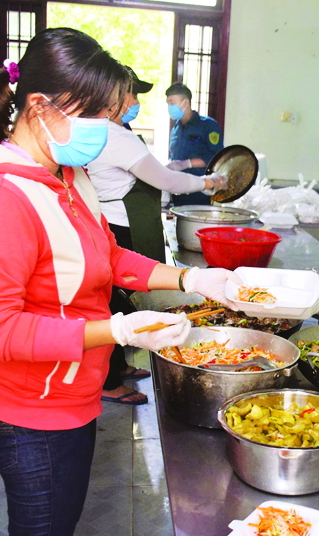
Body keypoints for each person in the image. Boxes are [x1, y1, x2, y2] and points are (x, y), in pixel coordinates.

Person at [0, 28, 240, 535]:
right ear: (40, 106)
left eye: (109, 114)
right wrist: (118, 331)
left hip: (75, 395)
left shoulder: (66, 172)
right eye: (95, 114)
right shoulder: (0, 197)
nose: (105, 128)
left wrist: (194, 278)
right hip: (30, 416)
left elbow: (106, 254)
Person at [87, 66, 226, 404]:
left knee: (119, 296)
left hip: (120, 220)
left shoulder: (117, 130)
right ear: (115, 96)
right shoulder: (113, 135)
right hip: (121, 223)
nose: (135, 102)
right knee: (116, 300)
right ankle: (107, 380)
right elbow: (167, 179)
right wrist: (209, 182)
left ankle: (118, 367)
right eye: (132, 94)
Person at [165, 82, 223, 206]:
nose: (169, 107)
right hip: (178, 192)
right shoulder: (176, 129)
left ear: (185, 102)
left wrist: (185, 164)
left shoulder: (207, 125)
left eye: (172, 103)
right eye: (168, 104)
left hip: (200, 193)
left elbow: (216, 158)